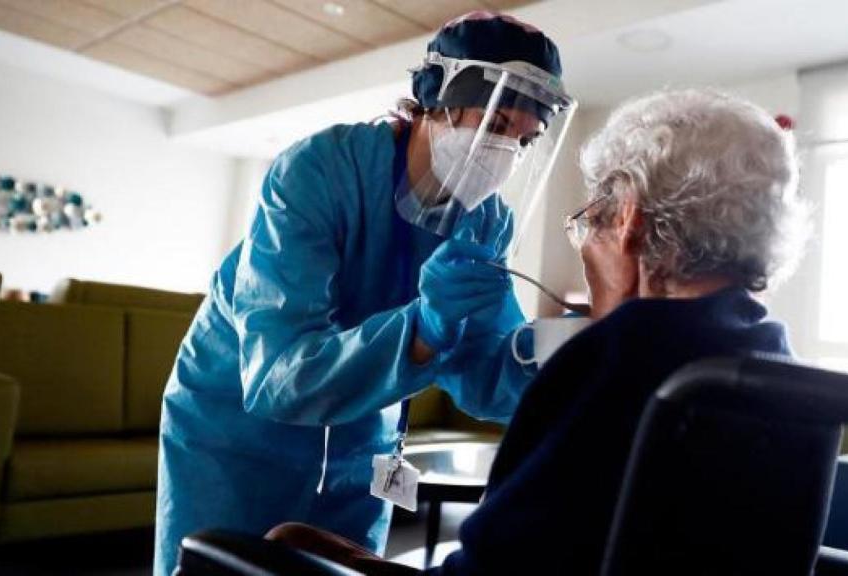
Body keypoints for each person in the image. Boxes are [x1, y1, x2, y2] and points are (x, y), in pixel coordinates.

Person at [263, 87, 809, 574]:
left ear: (628, 221)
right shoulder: (779, 368)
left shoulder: (610, 360)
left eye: (590, 218)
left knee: (282, 542)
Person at [153, 11, 576, 576]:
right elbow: (279, 375)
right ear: (435, 97)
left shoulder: (486, 221)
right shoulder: (320, 171)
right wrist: (423, 330)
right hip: (234, 434)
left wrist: (562, 356)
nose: (506, 153)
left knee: (343, 567)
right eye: (496, 123)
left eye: (524, 138)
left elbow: (481, 377)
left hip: (364, 436)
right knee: (220, 565)